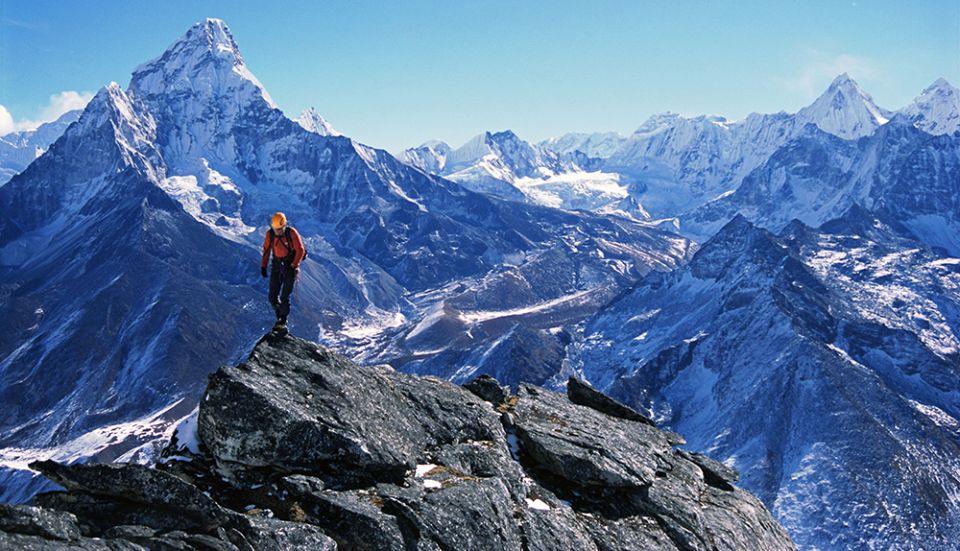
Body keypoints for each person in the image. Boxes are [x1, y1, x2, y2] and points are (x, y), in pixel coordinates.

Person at [260, 212, 306, 333]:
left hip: (289, 266)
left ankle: (282, 321)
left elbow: (300, 250)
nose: (278, 232)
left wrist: (294, 265)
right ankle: (280, 315)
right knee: (272, 297)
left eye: (280, 229)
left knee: (285, 296)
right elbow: (266, 250)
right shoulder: (270, 235)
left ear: (284, 225)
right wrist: (263, 266)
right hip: (277, 266)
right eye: (276, 229)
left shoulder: (291, 233)